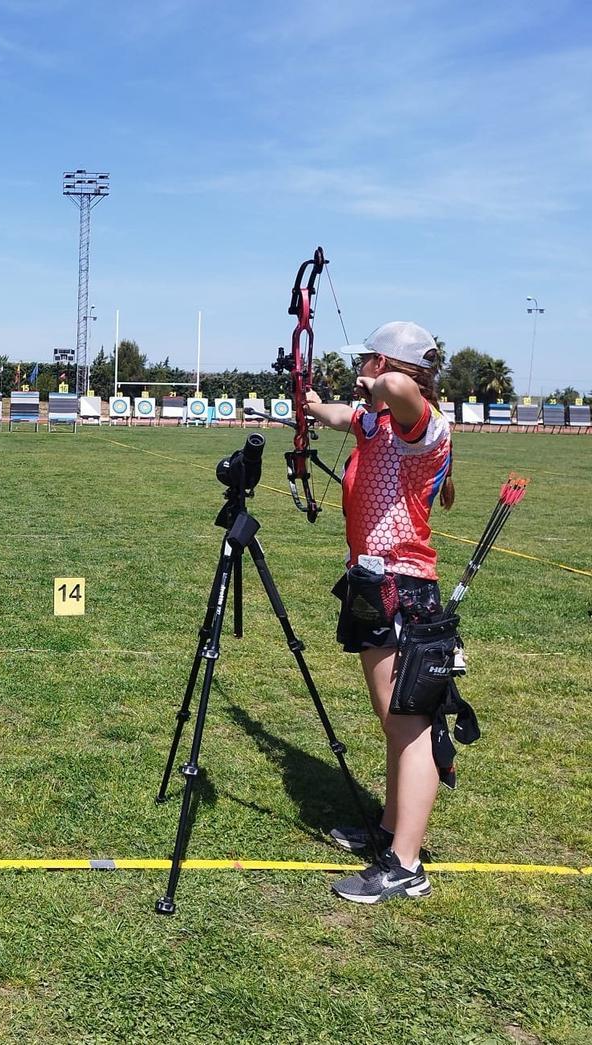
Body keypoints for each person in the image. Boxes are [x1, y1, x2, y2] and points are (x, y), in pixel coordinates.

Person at [303, 321, 455, 904]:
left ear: (395, 366)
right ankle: (392, 827)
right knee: (393, 719)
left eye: (370, 359)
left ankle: (406, 864)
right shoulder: (378, 420)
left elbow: (399, 390)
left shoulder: (424, 425)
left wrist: (381, 376)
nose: (362, 368)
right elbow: (349, 418)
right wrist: (315, 407)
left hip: (404, 584)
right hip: (374, 579)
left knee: (410, 725)